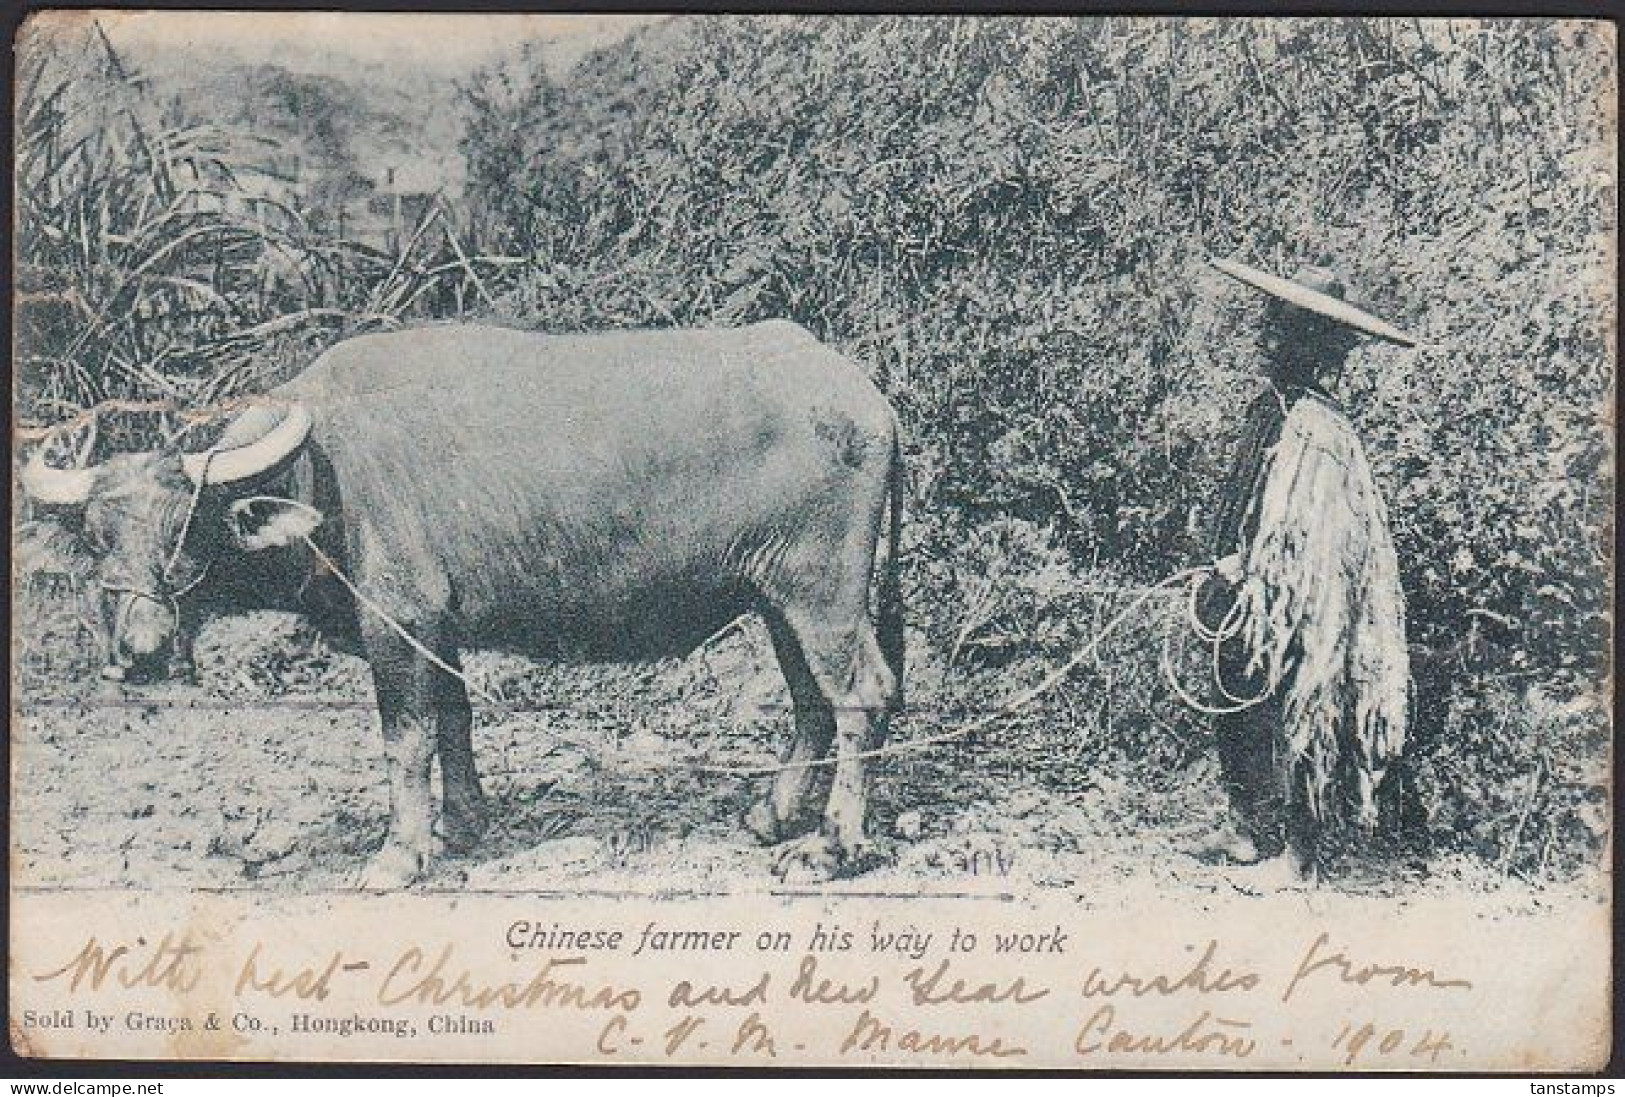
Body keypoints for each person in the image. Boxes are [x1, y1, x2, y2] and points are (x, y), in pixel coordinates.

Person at [1193, 258, 1416, 881]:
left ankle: (1297, 853)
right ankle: (1259, 832)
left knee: (1300, 707)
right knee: (1236, 699)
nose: (1269, 338)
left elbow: (1317, 537)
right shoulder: (1275, 410)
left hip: (1300, 606)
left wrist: (1263, 575)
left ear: (1313, 344)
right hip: (1251, 591)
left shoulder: (1318, 428)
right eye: (1273, 325)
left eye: (1285, 330)